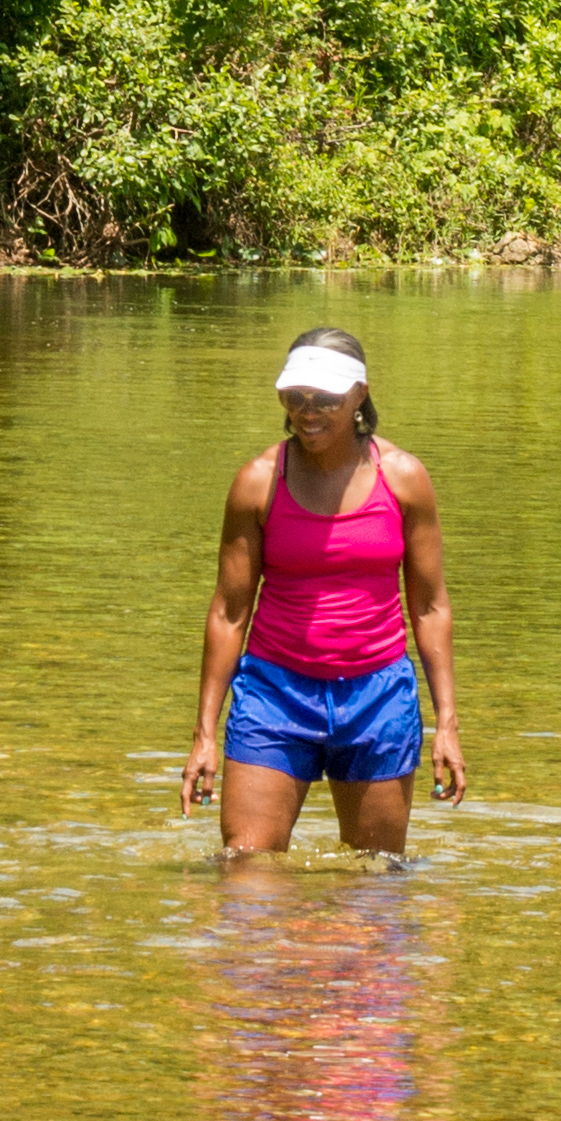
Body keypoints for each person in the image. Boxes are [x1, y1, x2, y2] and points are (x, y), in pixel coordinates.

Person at [178, 328, 462, 862]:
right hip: (273, 695)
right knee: (246, 874)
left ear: (359, 395)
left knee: (373, 885)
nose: (309, 413)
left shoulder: (403, 479)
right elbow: (228, 613)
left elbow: (430, 606)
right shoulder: (258, 481)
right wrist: (203, 735)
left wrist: (445, 723)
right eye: (296, 398)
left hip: (377, 698)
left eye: (326, 400)